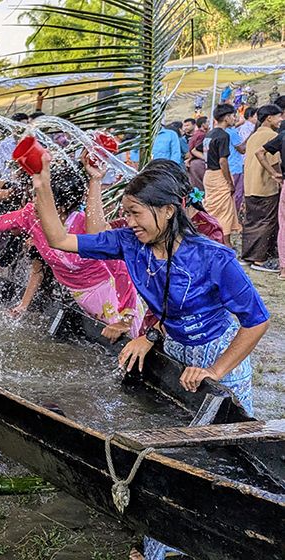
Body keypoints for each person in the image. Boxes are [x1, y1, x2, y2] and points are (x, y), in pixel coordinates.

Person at [31, 155, 270, 560]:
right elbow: (59, 239)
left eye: (135, 213)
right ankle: (162, 541)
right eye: (125, 213)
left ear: (167, 210)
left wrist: (215, 369)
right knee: (174, 456)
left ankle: (222, 540)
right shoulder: (129, 243)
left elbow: (256, 322)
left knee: (221, 455)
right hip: (176, 354)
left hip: (217, 357)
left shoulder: (213, 257)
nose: (129, 222)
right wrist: (42, 183)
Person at [0, 157, 144, 340]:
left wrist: (126, 316)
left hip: (115, 297)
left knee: (129, 345)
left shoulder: (84, 225)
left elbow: (120, 268)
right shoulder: (30, 216)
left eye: (44, 199)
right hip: (82, 298)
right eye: (36, 196)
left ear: (63, 206)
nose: (36, 203)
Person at [243, 104, 283, 272]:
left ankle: (247, 255)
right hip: (266, 185)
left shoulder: (253, 136)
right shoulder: (272, 135)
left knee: (252, 221)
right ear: (269, 118)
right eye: (278, 116)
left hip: (250, 184)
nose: (281, 119)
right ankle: (259, 260)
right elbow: (276, 162)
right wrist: (276, 175)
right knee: (267, 222)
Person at [202, 104, 241, 243]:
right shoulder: (223, 135)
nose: (234, 118)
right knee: (225, 213)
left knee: (212, 210)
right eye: (233, 116)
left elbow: (198, 151)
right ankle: (226, 244)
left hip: (208, 175)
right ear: (226, 117)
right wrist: (229, 183)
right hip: (219, 175)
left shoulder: (210, 134)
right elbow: (223, 161)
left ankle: (211, 239)